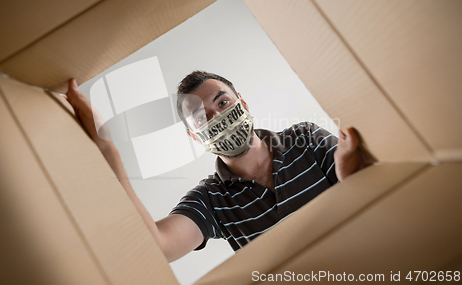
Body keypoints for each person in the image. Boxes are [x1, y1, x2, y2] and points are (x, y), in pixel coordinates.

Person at [66, 71, 370, 262]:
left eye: (222, 103)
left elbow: (371, 195)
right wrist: (108, 150)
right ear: (193, 136)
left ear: (243, 103)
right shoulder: (210, 200)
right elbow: (159, 248)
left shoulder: (305, 137)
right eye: (201, 117)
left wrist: (351, 179)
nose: (216, 117)